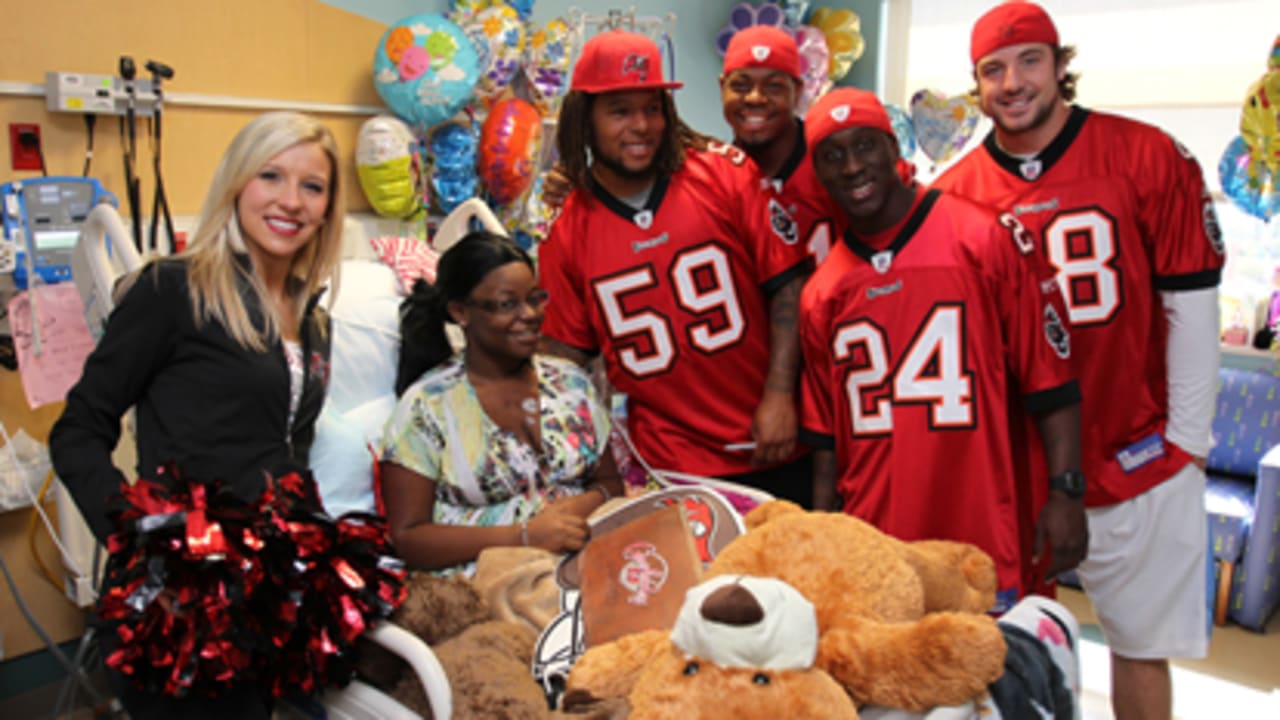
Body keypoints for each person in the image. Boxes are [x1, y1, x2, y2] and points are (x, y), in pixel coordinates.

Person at [933, 4, 1225, 718]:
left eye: (1029, 61)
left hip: (1135, 445)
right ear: (976, 85)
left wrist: (1187, 440)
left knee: (1140, 646)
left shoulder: (1146, 154)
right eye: (993, 70)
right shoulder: (952, 192)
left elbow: (1189, 302)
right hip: (1019, 465)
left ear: (1060, 63)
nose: (1013, 82)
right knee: (1005, 648)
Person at [49, 111, 346, 719]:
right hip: (183, 607)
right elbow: (77, 431)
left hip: (271, 597)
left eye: (312, 186)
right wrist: (139, 541)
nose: (291, 201)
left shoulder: (311, 317)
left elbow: (289, 451)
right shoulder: (173, 291)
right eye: (271, 176)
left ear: (327, 206)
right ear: (238, 182)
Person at [799, 87, 1087, 611]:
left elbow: (1051, 380)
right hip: (877, 536)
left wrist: (1067, 492)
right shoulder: (823, 291)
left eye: (865, 146)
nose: (852, 166)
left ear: (894, 148)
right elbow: (826, 443)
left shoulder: (982, 238)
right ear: (817, 172)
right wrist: (822, 540)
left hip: (980, 519)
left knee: (998, 679)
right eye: (832, 155)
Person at [537, 29, 814, 506]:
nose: (641, 125)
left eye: (652, 107)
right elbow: (565, 361)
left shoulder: (724, 173)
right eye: (620, 111)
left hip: (774, 439)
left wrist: (780, 396)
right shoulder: (565, 230)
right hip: (671, 464)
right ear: (586, 119)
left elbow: (788, 289)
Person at [378, 231, 623, 575]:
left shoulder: (570, 383)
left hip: (585, 561)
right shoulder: (427, 406)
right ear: (460, 311)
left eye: (535, 299)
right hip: (484, 585)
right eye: (507, 304)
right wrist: (525, 536)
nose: (530, 315)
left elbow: (611, 484)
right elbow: (407, 539)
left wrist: (578, 507)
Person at [719, 24, 843, 264]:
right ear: (722, 88)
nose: (755, 98)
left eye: (774, 86)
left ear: (797, 92)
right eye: (741, 86)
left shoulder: (837, 162)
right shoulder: (713, 179)